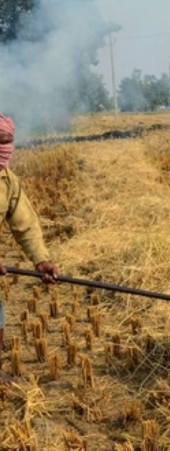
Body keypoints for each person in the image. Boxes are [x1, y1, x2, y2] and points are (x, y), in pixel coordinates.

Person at [0, 114, 59, 383]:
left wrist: (41, 260)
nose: (5, 148)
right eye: (1, 141)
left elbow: (25, 223)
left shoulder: (7, 181)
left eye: (9, 142)